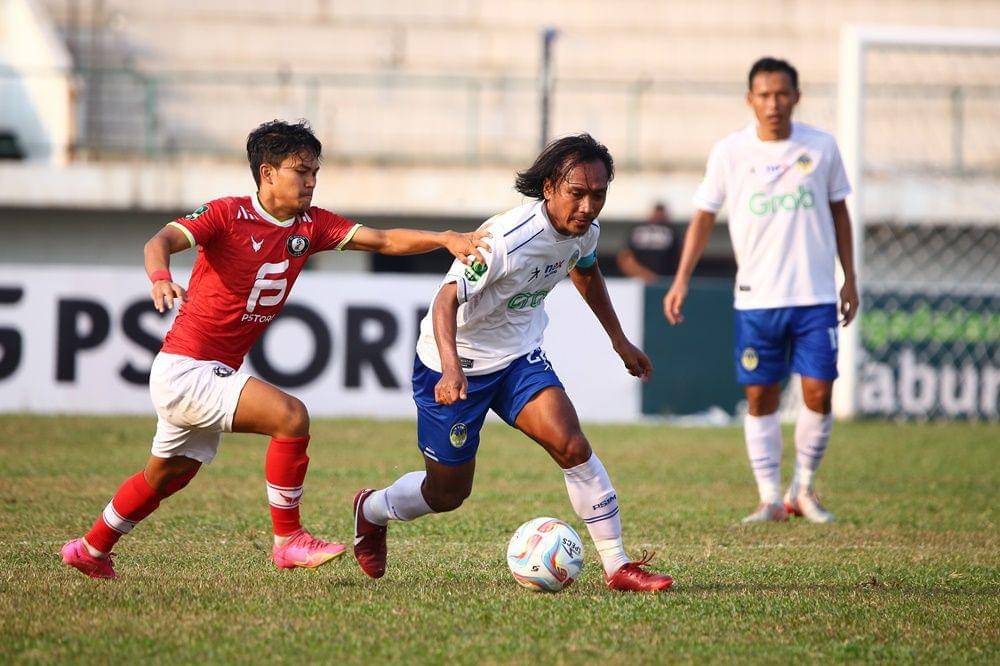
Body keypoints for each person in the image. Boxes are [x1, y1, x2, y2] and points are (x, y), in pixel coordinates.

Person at [61, 119, 488, 579]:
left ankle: (91, 548)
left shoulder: (312, 224)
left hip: (209, 371)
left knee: (167, 476)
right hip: (185, 370)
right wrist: (161, 276)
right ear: (267, 173)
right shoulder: (227, 215)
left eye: (314, 173)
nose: (310, 181)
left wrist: (445, 239)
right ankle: (288, 540)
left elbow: (382, 240)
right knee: (290, 416)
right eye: (300, 171)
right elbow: (159, 241)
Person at [352, 134, 674, 592]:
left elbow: (586, 270)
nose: (587, 206)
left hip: (518, 356)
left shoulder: (586, 231)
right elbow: (444, 302)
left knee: (571, 445)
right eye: (576, 193)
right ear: (548, 188)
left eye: (597, 195)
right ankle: (372, 508)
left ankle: (618, 565)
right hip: (455, 363)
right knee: (447, 493)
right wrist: (449, 368)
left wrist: (620, 340)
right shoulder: (507, 239)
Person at [663, 57, 859, 524]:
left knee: (819, 392)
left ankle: (803, 489)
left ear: (796, 96)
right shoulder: (730, 152)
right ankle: (770, 497)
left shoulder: (822, 147)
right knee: (759, 397)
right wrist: (681, 278)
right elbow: (703, 216)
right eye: (764, 95)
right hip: (756, 297)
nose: (774, 103)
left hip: (813, 295)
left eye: (782, 93)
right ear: (750, 99)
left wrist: (849, 277)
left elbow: (840, 214)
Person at [616, 202, 678, 283]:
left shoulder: (637, 230)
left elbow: (624, 258)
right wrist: (647, 275)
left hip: (655, 281)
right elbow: (625, 258)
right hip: (653, 281)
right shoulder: (672, 231)